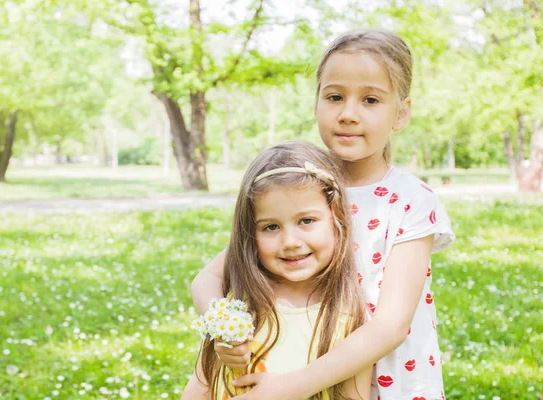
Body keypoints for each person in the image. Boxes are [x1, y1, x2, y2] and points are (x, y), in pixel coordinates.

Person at [191, 28, 455, 400]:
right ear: (316, 103)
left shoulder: (411, 200)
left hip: (386, 376)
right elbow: (207, 279)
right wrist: (225, 330)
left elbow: (391, 326)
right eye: (334, 97)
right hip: (305, 361)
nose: (348, 114)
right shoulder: (300, 183)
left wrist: (292, 387)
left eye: (370, 100)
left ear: (402, 112)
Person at [182, 141, 372, 400]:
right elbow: (202, 384)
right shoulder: (240, 305)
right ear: (251, 232)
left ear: (336, 217)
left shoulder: (347, 318)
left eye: (306, 221)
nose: (290, 242)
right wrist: (221, 329)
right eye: (271, 227)